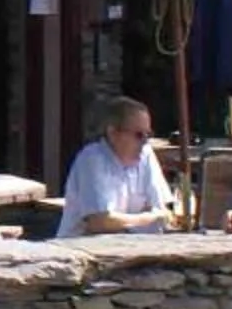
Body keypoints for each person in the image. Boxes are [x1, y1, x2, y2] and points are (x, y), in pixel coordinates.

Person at [55, 96, 176, 237]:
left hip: (131, 248)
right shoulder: (92, 159)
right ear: (112, 133)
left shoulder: (146, 154)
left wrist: (152, 216)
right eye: (138, 135)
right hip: (80, 251)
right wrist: (150, 218)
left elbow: (163, 210)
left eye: (148, 134)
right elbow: (99, 222)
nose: (144, 141)